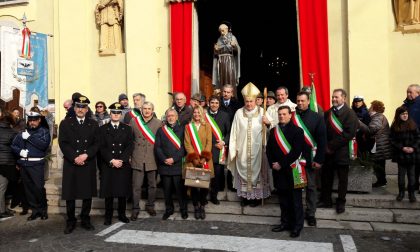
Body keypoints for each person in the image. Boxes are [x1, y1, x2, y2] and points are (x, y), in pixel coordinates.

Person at [59, 95, 100, 234]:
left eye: (83, 107)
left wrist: (86, 155)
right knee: (70, 194)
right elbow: (63, 143)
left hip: (87, 162)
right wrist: (74, 156)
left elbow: (97, 143)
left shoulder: (93, 124)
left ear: (87, 109)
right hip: (71, 162)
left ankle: (85, 219)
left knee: (87, 193)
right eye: (78, 107)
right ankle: (70, 221)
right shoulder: (65, 123)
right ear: (74, 108)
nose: (80, 109)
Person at [227, 82, 272, 206]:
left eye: (251, 101)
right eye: (247, 101)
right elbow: (234, 132)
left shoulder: (262, 112)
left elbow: (272, 130)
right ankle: (245, 197)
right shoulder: (238, 113)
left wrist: (267, 123)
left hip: (258, 150)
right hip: (242, 150)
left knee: (258, 175)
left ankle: (256, 198)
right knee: (243, 173)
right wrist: (233, 148)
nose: (249, 104)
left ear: (255, 100)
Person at [267, 106, 304, 238]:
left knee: (295, 200)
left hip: (292, 169)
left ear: (290, 115)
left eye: (284, 114)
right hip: (278, 171)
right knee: (283, 200)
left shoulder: (298, 131)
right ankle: (285, 223)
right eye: (280, 114)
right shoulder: (273, 131)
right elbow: (269, 150)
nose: (281, 116)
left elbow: (296, 152)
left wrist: (281, 164)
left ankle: (297, 226)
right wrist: (273, 164)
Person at [319, 89, 358, 214]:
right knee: (326, 177)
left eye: (336, 97)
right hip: (328, 152)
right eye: (332, 97)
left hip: (341, 152)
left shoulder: (350, 113)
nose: (334, 99)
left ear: (344, 98)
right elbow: (323, 131)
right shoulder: (328, 113)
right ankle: (326, 200)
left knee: (342, 179)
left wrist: (330, 146)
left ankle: (341, 202)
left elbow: (348, 134)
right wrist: (325, 146)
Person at [294, 92, 326, 226]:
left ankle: (311, 213)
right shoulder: (292, 116)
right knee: (296, 187)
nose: (300, 103)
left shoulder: (317, 117)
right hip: (295, 159)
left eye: (303, 101)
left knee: (311, 187)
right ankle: (297, 212)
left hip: (310, 158)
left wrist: (319, 160)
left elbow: (322, 140)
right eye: (298, 101)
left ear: (308, 101)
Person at [11, 110, 50, 221]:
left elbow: (43, 145)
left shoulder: (44, 131)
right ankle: (35, 211)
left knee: (38, 188)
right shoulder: (23, 132)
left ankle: (43, 210)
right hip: (24, 164)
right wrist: (20, 152)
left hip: (36, 164)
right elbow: (13, 145)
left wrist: (29, 137)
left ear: (39, 120)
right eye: (30, 120)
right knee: (28, 190)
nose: (32, 123)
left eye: (34, 120)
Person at [99, 102, 133, 225]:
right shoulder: (103, 129)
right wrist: (112, 160)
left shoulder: (127, 128)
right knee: (109, 192)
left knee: (122, 192)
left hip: (122, 164)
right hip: (109, 164)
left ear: (121, 114)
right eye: (114, 112)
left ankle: (122, 214)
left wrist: (122, 160)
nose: (116, 115)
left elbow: (130, 146)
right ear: (110, 113)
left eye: (118, 113)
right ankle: (108, 216)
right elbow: (101, 147)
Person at [154, 108, 188, 220]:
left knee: (180, 190)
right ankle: (169, 209)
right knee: (167, 190)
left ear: (177, 117)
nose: (171, 117)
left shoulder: (182, 129)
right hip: (165, 165)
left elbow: (184, 147)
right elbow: (157, 148)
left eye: (173, 115)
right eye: (168, 116)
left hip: (177, 164)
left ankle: (183, 209)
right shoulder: (161, 130)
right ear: (166, 117)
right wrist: (164, 159)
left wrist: (174, 159)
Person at [130, 101, 161, 220]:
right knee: (136, 186)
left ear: (152, 110)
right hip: (137, 157)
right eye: (145, 108)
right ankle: (135, 208)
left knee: (152, 185)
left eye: (149, 109)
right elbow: (130, 139)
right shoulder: (134, 121)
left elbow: (160, 140)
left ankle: (150, 205)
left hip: (152, 157)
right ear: (141, 110)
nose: (147, 111)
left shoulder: (158, 123)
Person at [184, 105, 214, 219]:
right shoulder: (188, 127)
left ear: (202, 114)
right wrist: (195, 159)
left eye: (198, 112)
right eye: (195, 112)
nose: (196, 114)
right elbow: (187, 143)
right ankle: (196, 206)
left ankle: (202, 206)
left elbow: (209, 142)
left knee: (204, 186)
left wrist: (203, 158)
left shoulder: (207, 126)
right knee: (194, 185)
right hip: (193, 161)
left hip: (205, 161)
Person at [360, 101, 393, 187]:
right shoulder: (378, 116)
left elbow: (372, 129)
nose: (369, 108)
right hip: (381, 144)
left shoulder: (377, 117)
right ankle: (382, 181)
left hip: (379, 144)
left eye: (371, 106)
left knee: (379, 163)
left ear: (374, 107)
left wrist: (359, 124)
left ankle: (381, 181)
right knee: (379, 163)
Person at [206, 96, 231, 204]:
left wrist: (224, 142)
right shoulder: (204, 115)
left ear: (219, 104)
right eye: (212, 102)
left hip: (218, 149)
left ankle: (213, 196)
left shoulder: (225, 116)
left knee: (217, 174)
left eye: (216, 103)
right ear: (208, 103)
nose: (214, 105)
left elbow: (229, 132)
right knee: (205, 173)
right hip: (205, 149)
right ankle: (204, 195)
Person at [390, 106, 419, 202]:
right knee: (401, 175)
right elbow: (392, 140)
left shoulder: (413, 124)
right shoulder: (395, 126)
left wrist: (412, 147)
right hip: (401, 154)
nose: (405, 115)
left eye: (406, 114)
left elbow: (418, 138)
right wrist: (402, 147)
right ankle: (401, 193)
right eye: (403, 114)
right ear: (398, 115)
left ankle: (411, 194)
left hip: (412, 154)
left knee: (412, 175)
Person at [219, 84, 242, 191]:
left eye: (228, 92)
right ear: (222, 92)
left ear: (232, 93)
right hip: (219, 136)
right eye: (224, 91)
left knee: (231, 160)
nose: (226, 94)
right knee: (219, 162)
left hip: (233, 136)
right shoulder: (216, 102)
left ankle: (231, 184)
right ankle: (220, 185)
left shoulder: (237, 104)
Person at [212, 22, 241, 95]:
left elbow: (237, 51)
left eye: (223, 30)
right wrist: (216, 50)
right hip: (221, 61)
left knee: (230, 77)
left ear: (227, 29)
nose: (221, 32)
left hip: (229, 61)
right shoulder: (219, 39)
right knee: (221, 79)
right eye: (220, 31)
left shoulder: (232, 37)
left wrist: (234, 46)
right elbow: (216, 53)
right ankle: (222, 95)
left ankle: (232, 95)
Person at [402, 84, 420, 191]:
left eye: (410, 92)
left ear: (418, 93)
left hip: (417, 137)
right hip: (408, 138)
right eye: (407, 92)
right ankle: (413, 184)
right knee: (412, 163)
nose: (408, 94)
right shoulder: (406, 104)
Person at [0, 112, 17, 218]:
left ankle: (3, 208)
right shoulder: (12, 132)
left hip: (3, 162)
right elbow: (16, 149)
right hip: (6, 163)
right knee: (2, 188)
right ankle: (1, 211)